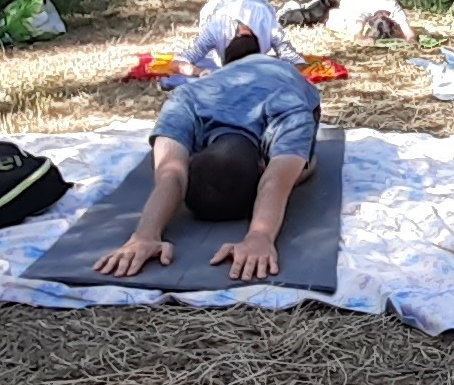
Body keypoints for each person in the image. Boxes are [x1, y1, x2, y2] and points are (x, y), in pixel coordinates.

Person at [97, 52, 322, 282]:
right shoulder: (184, 99)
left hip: (284, 74)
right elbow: (171, 173)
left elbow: (275, 182)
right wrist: (144, 235)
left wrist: (260, 236)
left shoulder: (290, 111)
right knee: (296, 164)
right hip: (234, 73)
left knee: (303, 164)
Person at [175, 0, 300, 77]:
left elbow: (298, 63)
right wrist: (199, 72)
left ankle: (288, 10)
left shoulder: (270, 29)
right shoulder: (214, 30)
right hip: (216, 5)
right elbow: (178, 62)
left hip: (258, 2)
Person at [328, 0, 415, 42]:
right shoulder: (361, 9)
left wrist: (411, 39)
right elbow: (357, 32)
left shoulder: (393, 8)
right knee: (340, 26)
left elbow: (408, 31)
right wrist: (361, 38)